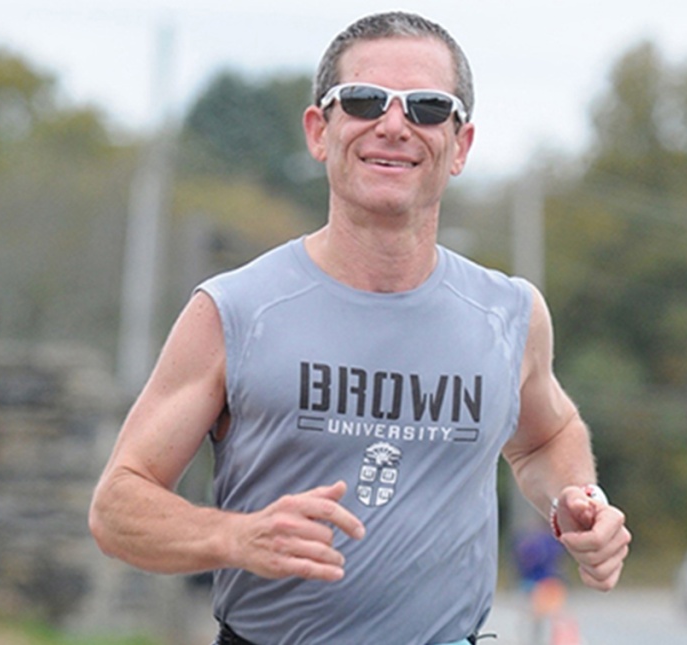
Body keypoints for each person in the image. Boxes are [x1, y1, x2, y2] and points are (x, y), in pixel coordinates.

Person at [89, 11, 630, 645]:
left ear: (461, 145)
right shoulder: (235, 310)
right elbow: (117, 505)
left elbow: (546, 437)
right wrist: (234, 536)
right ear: (320, 131)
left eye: (428, 107)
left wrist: (577, 499)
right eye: (365, 100)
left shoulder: (508, 313)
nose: (394, 125)